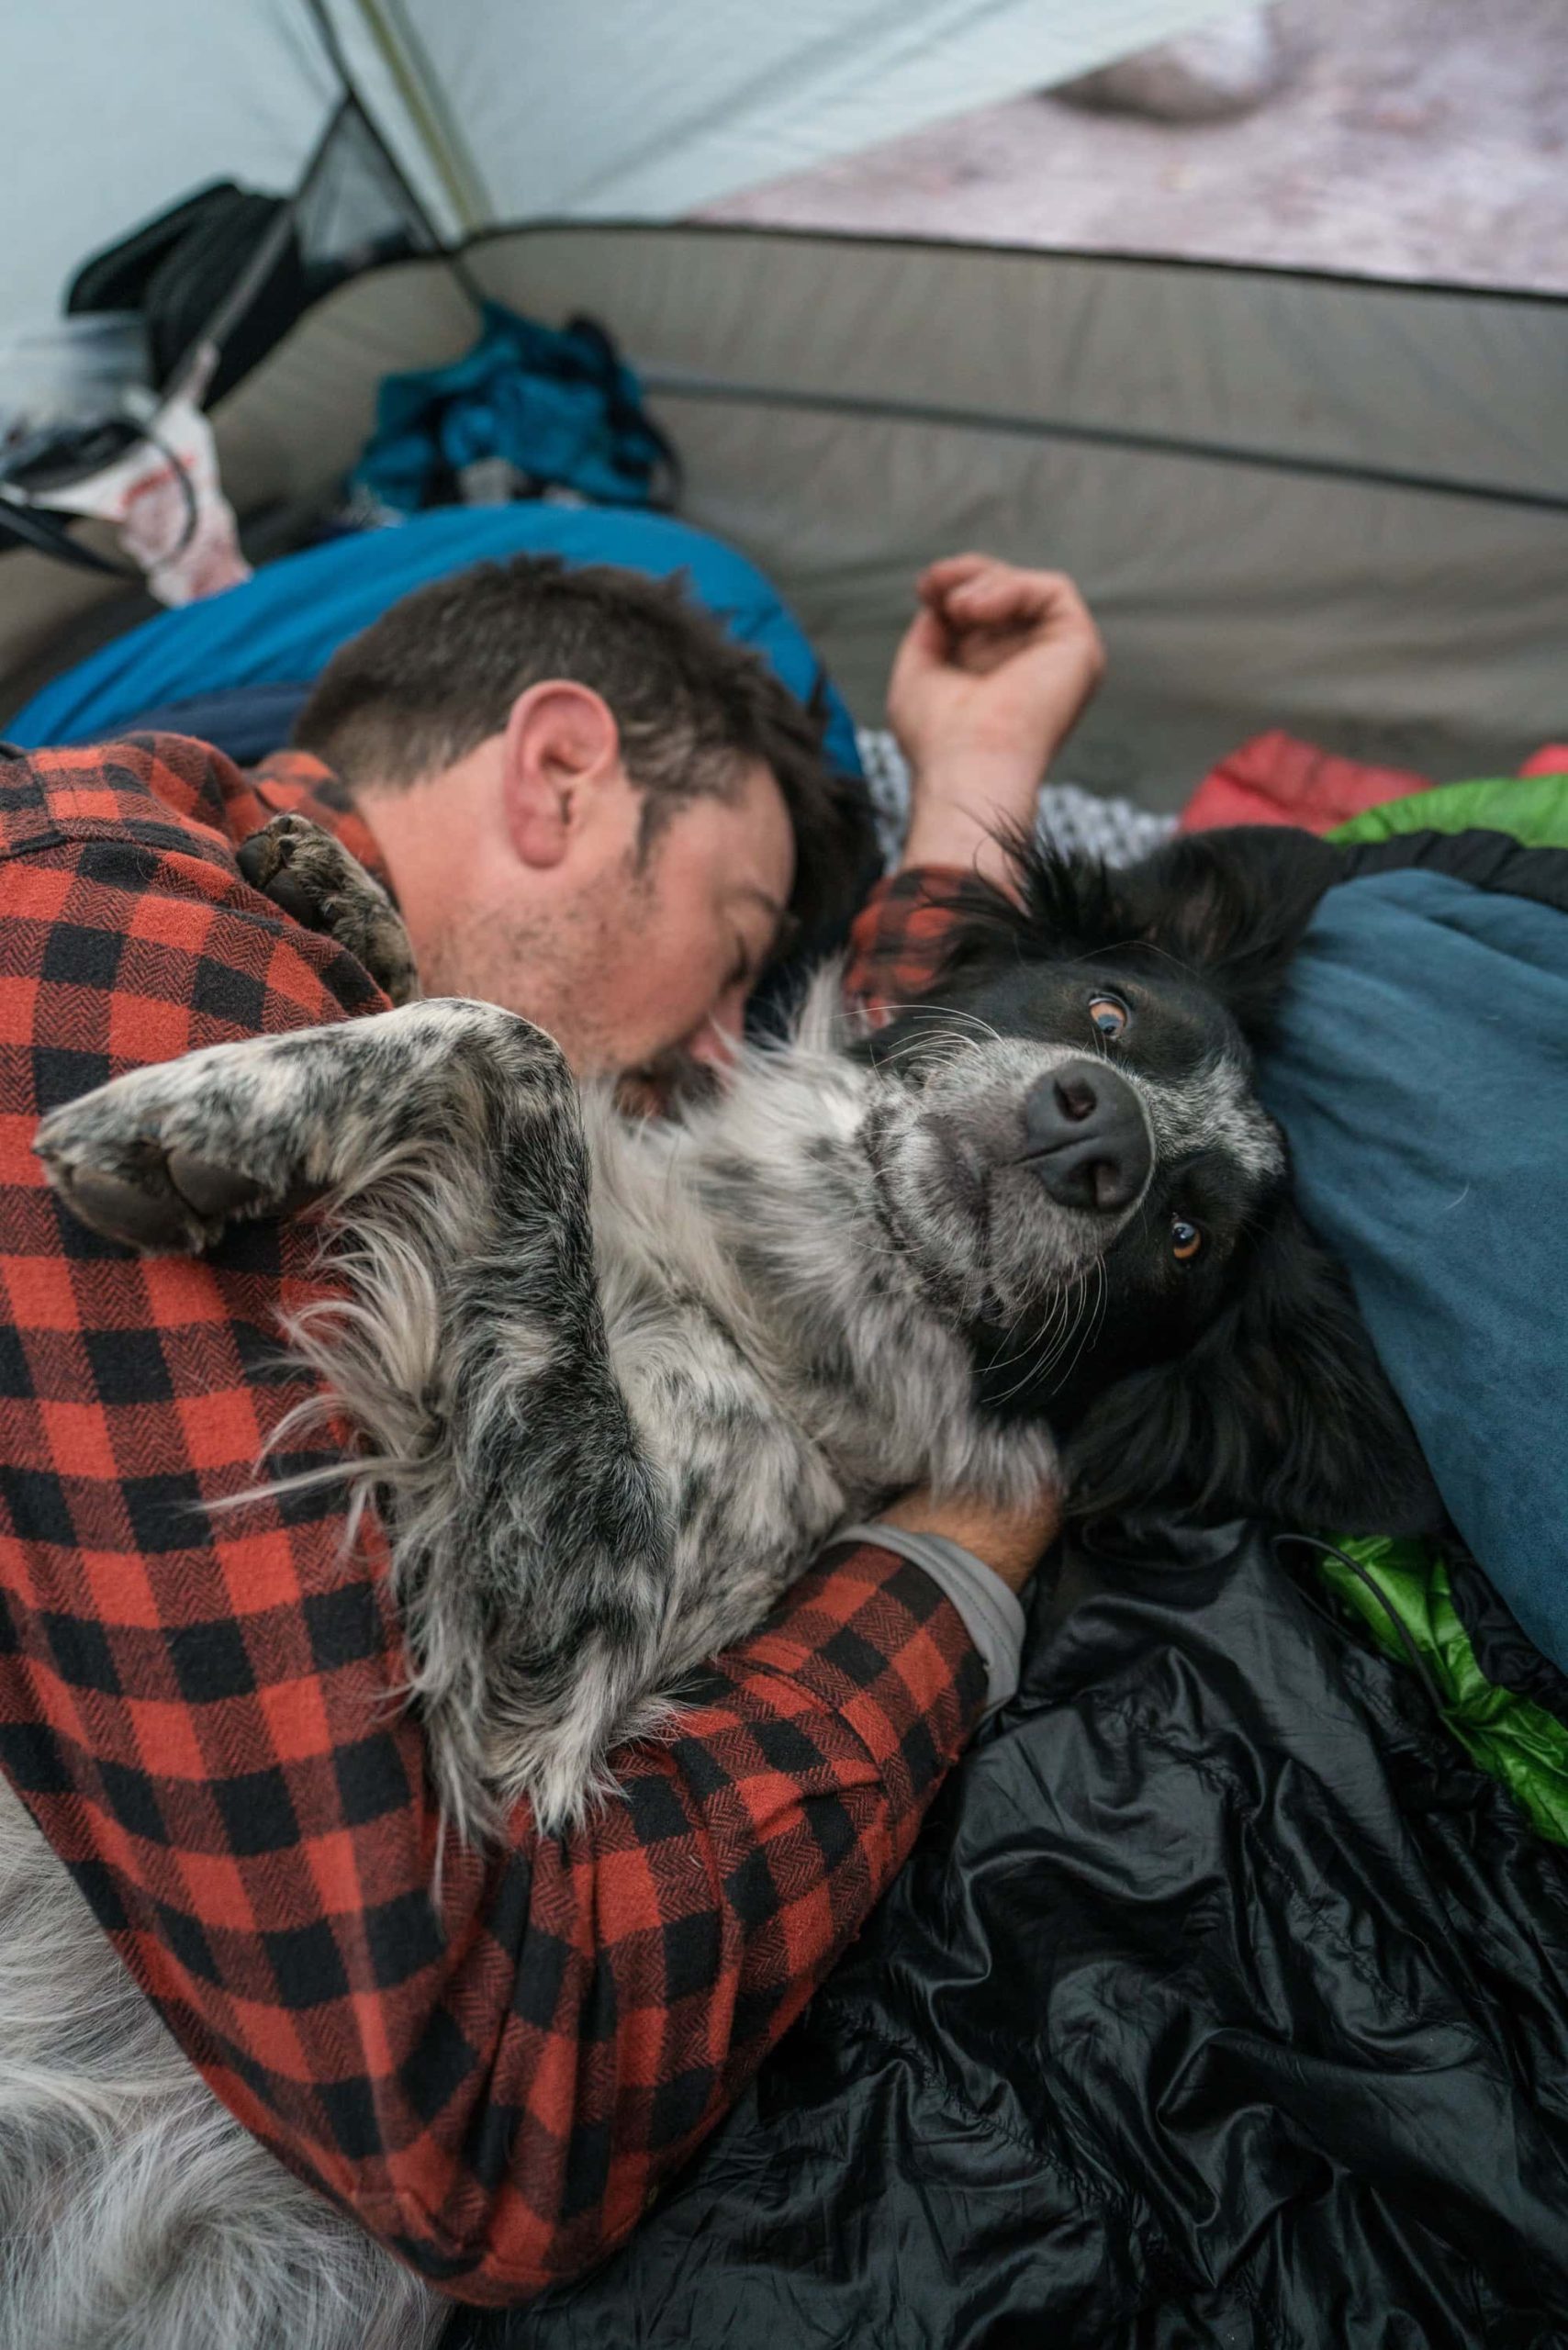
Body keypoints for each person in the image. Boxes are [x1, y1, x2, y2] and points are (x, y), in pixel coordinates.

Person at [0, 543, 1103, 2306]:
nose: (730, 1044)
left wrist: (975, 772)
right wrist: (961, 1561)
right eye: (738, 947)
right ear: (563, 775)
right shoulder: (96, 943)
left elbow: (836, 1180)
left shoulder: (297, 989)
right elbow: (484, 2109)